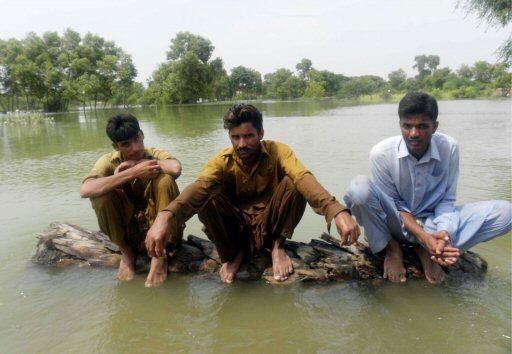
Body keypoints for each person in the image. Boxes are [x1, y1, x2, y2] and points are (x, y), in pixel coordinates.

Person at [146, 104, 360, 283]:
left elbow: (302, 176)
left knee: (294, 184)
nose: (242, 144)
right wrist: (165, 216)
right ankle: (233, 254)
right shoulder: (221, 162)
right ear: (229, 136)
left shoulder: (278, 151)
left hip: (271, 226)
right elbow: (198, 188)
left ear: (261, 133)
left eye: (248, 136)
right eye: (236, 137)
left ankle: (277, 247)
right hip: (237, 230)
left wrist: (337, 211)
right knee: (207, 196)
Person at [344, 92, 511, 283]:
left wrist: (443, 234)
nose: (414, 133)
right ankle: (392, 249)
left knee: (506, 213)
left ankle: (429, 250)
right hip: (397, 222)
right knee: (359, 189)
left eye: (422, 126)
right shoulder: (381, 154)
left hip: (432, 222)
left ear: (435, 127)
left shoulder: (449, 147)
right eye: (407, 126)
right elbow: (394, 205)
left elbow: (447, 200)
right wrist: (424, 236)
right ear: (400, 124)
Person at [80, 113, 183, 287]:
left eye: (137, 139)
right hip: (129, 232)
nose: (135, 148)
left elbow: (176, 168)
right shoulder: (108, 162)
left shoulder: (154, 154)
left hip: (160, 232)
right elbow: (86, 190)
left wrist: (140, 164)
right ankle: (127, 253)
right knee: (100, 196)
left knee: (166, 180)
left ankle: (159, 257)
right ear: (116, 146)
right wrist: (132, 174)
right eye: (126, 144)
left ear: (142, 135)